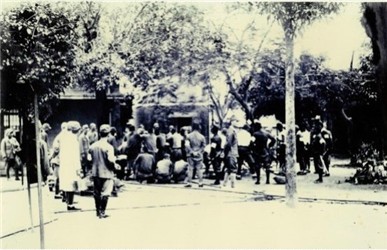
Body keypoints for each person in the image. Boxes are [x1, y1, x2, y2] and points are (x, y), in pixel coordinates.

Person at [89, 124, 117, 218]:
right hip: (106, 172)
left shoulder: (93, 146)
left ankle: (97, 211)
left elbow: (89, 159)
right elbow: (111, 160)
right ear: (108, 134)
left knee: (96, 193)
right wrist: (115, 166)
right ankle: (102, 212)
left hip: (95, 172)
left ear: (99, 133)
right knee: (105, 193)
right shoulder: (109, 147)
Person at [58, 121, 82, 210]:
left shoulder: (64, 138)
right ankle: (70, 204)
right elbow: (75, 155)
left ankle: (68, 202)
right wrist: (78, 168)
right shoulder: (74, 140)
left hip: (64, 164)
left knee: (67, 184)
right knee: (72, 184)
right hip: (71, 165)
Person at [184, 121, 206, 188]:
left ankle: (189, 182)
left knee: (190, 169)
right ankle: (200, 182)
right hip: (199, 155)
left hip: (190, 155)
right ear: (199, 127)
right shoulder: (202, 137)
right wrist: (198, 152)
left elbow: (187, 145)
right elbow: (203, 146)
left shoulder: (188, 136)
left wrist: (192, 152)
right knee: (199, 169)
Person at [50, 122, 68, 199]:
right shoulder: (61, 137)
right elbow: (56, 149)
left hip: (61, 160)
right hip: (60, 160)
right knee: (59, 178)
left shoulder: (60, 137)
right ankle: (58, 193)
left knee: (60, 177)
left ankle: (62, 194)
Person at [222, 118, 239, 188]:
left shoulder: (231, 131)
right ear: (232, 122)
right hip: (232, 152)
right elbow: (228, 143)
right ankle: (233, 185)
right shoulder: (231, 131)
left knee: (228, 169)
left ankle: (224, 184)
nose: (237, 123)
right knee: (233, 169)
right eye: (236, 121)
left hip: (230, 152)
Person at [311, 119, 326, 183]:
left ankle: (320, 179)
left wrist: (321, 152)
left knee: (320, 165)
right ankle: (320, 178)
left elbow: (323, 143)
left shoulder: (319, 136)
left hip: (318, 153)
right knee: (318, 165)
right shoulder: (317, 135)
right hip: (316, 152)